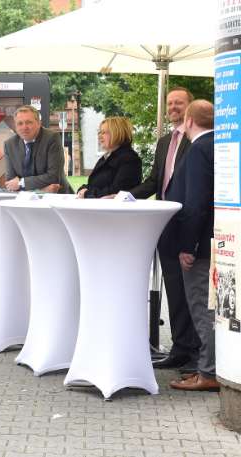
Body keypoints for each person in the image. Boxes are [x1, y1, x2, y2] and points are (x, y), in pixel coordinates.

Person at [130, 87, 201, 372]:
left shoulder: (197, 141)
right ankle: (181, 348)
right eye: (170, 103)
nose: (173, 107)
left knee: (191, 293)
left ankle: (197, 354)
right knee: (173, 290)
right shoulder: (163, 142)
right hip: (166, 227)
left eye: (179, 103)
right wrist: (125, 194)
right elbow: (154, 182)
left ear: (190, 107)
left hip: (189, 226)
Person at [159, 100, 216, 392]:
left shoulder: (198, 151)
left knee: (202, 307)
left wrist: (187, 246)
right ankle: (210, 367)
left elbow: (195, 204)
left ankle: (207, 372)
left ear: (190, 121)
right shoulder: (219, 145)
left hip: (200, 245)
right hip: (217, 240)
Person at [4, 105, 72, 194]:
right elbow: (11, 183)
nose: (24, 127)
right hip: (25, 200)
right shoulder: (10, 144)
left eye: (29, 122)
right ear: (15, 126)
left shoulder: (52, 138)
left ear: (39, 123)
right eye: (20, 123)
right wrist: (41, 191)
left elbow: (54, 176)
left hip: (56, 199)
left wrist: (21, 182)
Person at [76, 117, 142, 198]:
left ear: (117, 133)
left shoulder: (129, 160)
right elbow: (94, 184)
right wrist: (83, 189)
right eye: (99, 132)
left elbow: (117, 191)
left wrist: (87, 193)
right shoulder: (106, 157)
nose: (99, 136)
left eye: (104, 132)